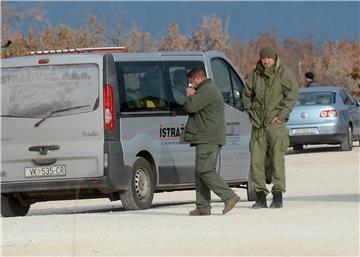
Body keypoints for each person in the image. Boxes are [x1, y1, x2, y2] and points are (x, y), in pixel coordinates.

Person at [243, 47, 298, 208]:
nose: (266, 61)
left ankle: (278, 195)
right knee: (256, 161)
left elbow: (293, 93)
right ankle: (260, 197)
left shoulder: (283, 73)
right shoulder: (255, 74)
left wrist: (281, 115)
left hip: (275, 126)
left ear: (275, 58)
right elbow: (247, 94)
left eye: (269, 58)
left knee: (276, 160)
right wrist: (250, 111)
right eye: (263, 58)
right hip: (258, 126)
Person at [180, 67, 240, 216]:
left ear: (198, 79)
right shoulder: (207, 89)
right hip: (206, 137)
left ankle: (229, 196)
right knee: (200, 172)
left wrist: (189, 96)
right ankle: (202, 206)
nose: (190, 86)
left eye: (191, 83)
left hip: (208, 137)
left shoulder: (206, 90)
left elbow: (191, 107)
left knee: (205, 170)